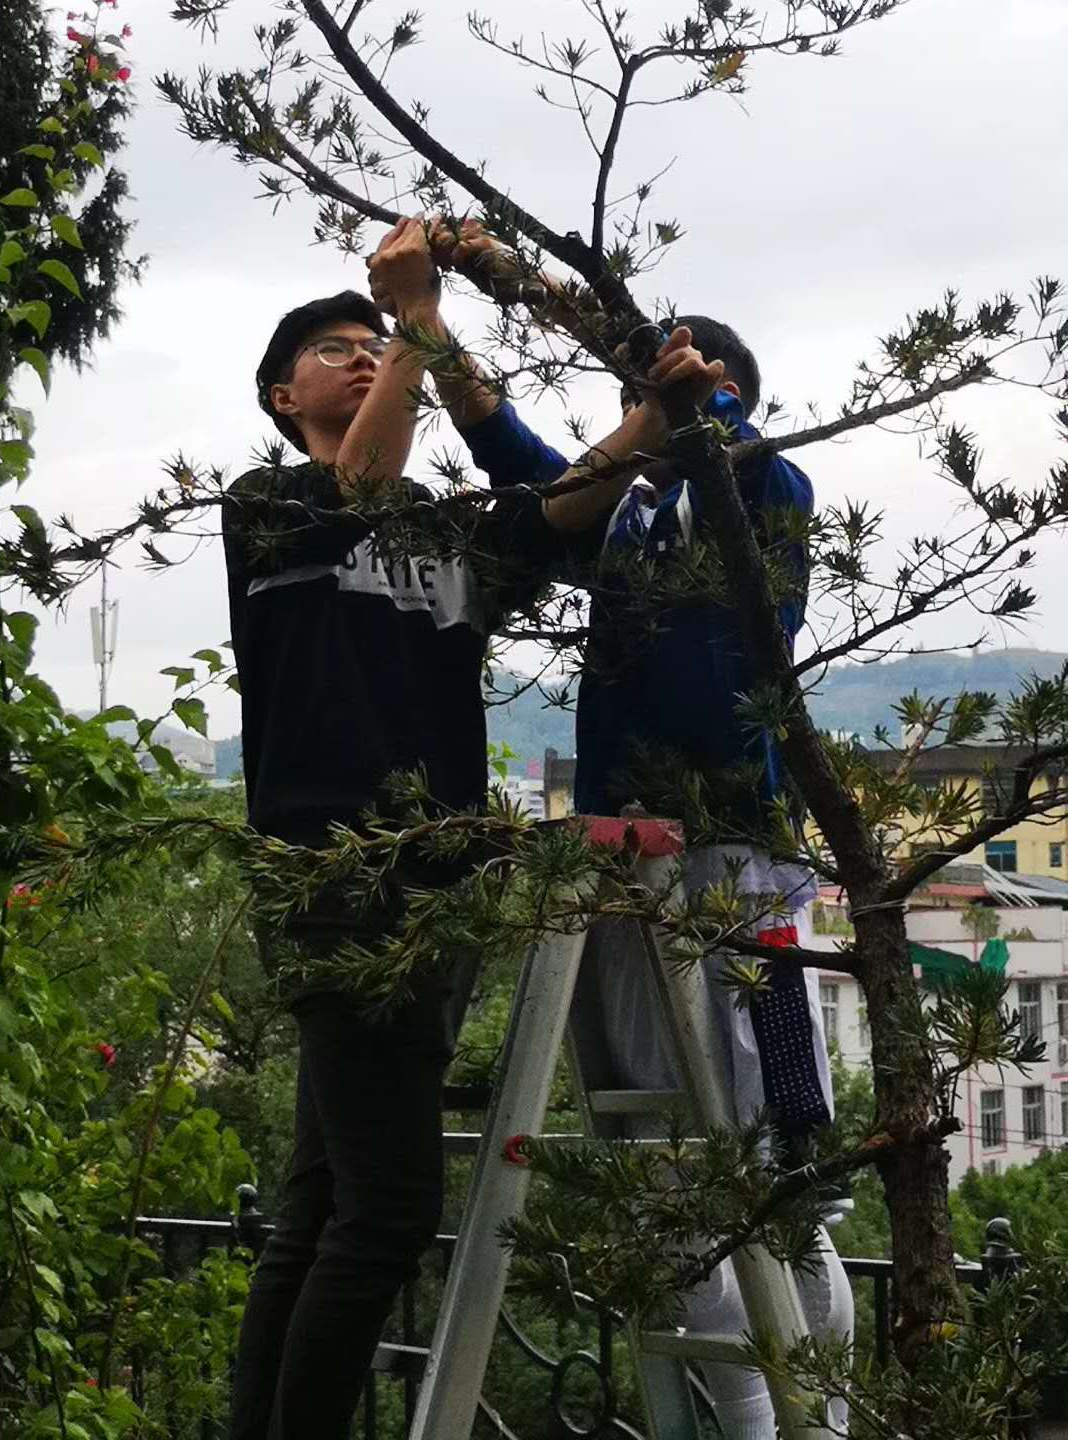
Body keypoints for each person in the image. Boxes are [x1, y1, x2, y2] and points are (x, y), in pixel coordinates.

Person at [222, 215, 721, 1440]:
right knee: (385, 1214)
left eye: (364, 341)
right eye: (329, 351)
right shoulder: (272, 506)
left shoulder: (446, 533)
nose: (354, 357)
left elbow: (561, 505)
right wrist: (413, 322)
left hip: (437, 884)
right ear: (283, 396)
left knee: (325, 1198)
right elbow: (363, 486)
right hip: (341, 878)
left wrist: (658, 416)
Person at [385, 222, 854, 1439]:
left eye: (659, 391)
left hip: (734, 865)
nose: (636, 421)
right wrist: (440, 341)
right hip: (641, 863)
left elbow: (724, 472)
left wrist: (690, 397)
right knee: (690, 1179)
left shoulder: (764, 486)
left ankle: (807, 1418)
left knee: (766, 1166)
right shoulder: (636, 521)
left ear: (719, 391)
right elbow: (527, 469)